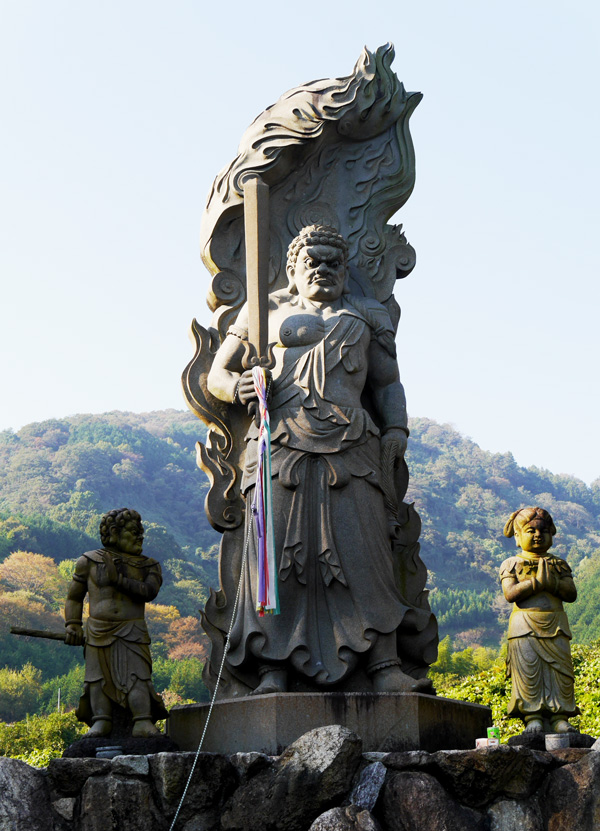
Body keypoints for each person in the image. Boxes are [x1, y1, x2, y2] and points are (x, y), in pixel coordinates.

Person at [207, 224, 433, 695]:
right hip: (279, 445)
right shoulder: (264, 312)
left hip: (353, 446)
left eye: (334, 262)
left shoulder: (366, 314)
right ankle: (273, 668)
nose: (324, 270)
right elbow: (217, 375)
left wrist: (396, 429)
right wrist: (238, 385)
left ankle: (384, 665)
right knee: (276, 558)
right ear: (293, 269)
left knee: (366, 553)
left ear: (346, 269)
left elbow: (387, 383)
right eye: (313, 261)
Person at [64, 508, 167, 737]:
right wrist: (73, 624)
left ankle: (142, 719)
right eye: (133, 531)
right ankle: (101, 720)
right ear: (114, 532)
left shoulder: (149, 565)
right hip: (97, 629)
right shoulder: (89, 561)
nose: (140, 536)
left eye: (141, 532)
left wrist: (117, 580)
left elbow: (149, 591)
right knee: (97, 678)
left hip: (133, 629)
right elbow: (74, 597)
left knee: (138, 676)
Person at [500, 507, 578, 733]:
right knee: (528, 671)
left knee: (560, 673)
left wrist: (552, 583)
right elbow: (510, 593)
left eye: (543, 530)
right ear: (517, 536)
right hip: (524, 625)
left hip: (556, 624)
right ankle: (532, 716)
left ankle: (559, 717)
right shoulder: (511, 563)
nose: (537, 535)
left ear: (551, 534)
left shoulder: (559, 564)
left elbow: (571, 594)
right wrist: (536, 583)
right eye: (530, 530)